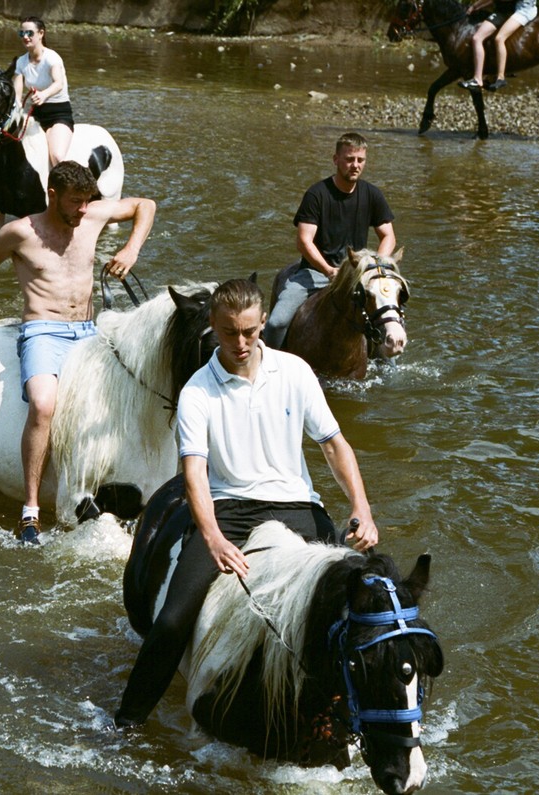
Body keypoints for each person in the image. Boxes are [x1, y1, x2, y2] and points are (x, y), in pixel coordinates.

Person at [115, 278, 380, 729]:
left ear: (261, 323)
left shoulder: (295, 372)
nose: (240, 343)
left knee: (363, 603)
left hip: (298, 506)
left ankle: (366, 720)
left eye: (250, 332)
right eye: (229, 333)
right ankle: (125, 723)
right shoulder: (197, 391)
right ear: (213, 328)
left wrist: (362, 507)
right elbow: (194, 473)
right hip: (230, 510)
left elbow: (334, 445)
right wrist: (213, 537)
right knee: (174, 621)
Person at [0, 161, 156, 544]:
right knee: (44, 404)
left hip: (88, 331)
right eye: (76, 201)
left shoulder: (93, 215)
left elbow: (144, 205)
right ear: (53, 195)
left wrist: (131, 248)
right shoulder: (19, 233)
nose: (84, 209)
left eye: (88, 201)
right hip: (42, 331)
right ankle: (30, 509)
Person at [263, 132, 395, 349]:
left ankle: (387, 371)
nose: (355, 165)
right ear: (336, 160)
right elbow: (304, 241)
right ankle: (266, 367)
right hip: (314, 273)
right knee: (277, 322)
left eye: (360, 160)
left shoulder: (372, 194)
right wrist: (328, 270)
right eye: (349, 159)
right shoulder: (317, 194)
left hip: (356, 276)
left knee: (386, 321)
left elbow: (388, 235)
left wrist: (375, 265)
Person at [13, 16, 74, 169]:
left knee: (57, 156)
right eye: (22, 34)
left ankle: (66, 189)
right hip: (36, 115)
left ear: (41, 34)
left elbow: (59, 83)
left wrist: (44, 94)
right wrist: (17, 104)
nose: (25, 37)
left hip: (58, 114)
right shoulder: (21, 62)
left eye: (29, 33)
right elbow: (18, 92)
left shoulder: (52, 58)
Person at [459, 0, 538, 91]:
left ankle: (490, 77)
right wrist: (476, 6)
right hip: (517, 9)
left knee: (497, 38)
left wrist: (475, 6)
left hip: (522, 11)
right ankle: (492, 75)